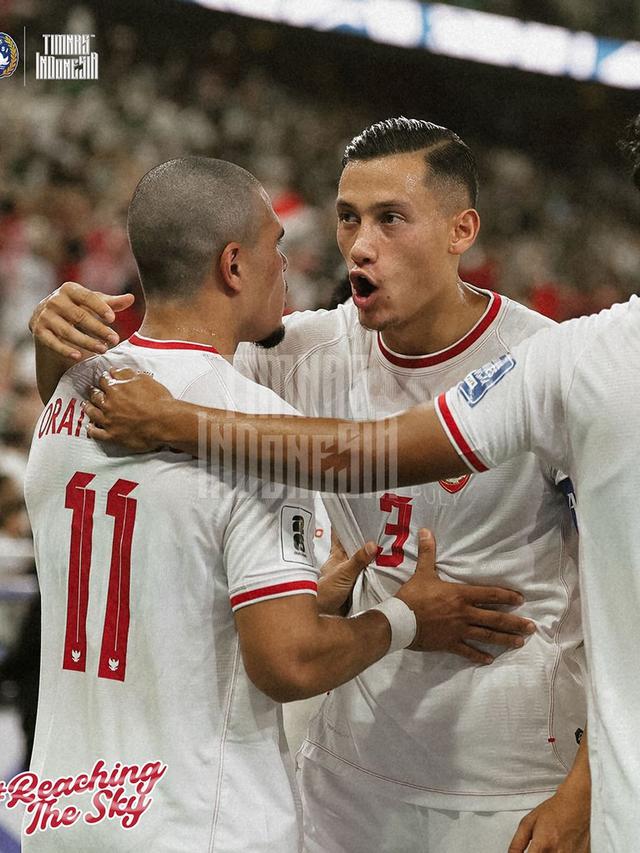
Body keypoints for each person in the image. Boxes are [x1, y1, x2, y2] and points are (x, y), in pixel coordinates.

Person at [79, 116, 640, 852]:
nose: (360, 244)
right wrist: (55, 348)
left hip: (511, 784)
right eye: (348, 218)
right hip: (348, 775)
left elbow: (621, 590)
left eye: (390, 218)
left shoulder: (549, 361)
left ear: (460, 230)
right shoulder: (298, 354)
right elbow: (121, 400)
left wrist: (583, 786)